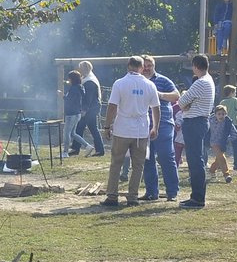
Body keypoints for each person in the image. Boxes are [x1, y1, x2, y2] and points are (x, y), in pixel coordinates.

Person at [100, 56, 158, 207]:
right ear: (141, 67)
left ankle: (112, 196)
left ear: (128, 66)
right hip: (141, 130)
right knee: (138, 165)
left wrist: (107, 126)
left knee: (116, 163)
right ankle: (132, 197)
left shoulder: (120, 83)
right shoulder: (150, 84)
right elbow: (156, 108)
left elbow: (112, 106)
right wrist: (155, 127)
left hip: (122, 128)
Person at [176, 54, 216, 208]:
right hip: (199, 122)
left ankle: (198, 199)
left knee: (195, 161)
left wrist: (185, 97)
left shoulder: (200, 83)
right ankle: (196, 196)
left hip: (194, 122)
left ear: (196, 66)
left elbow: (181, 102)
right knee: (196, 160)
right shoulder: (209, 80)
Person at [139, 55, 180, 202]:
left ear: (154, 66)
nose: (147, 68)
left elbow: (176, 96)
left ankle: (172, 192)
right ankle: (151, 192)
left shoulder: (163, 80)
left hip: (163, 124)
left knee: (166, 158)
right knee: (147, 159)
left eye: (150, 65)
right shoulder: (138, 82)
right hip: (143, 125)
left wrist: (160, 95)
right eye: (145, 65)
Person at [73, 60, 104, 156]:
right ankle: (98, 150)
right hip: (92, 108)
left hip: (91, 108)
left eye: (81, 68)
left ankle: (76, 148)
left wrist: (84, 110)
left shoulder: (89, 81)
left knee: (83, 128)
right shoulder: (87, 78)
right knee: (84, 128)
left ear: (85, 69)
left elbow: (88, 98)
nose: (80, 70)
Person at [219, 84, 237, 170]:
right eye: (235, 92)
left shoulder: (222, 102)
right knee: (236, 145)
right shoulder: (236, 100)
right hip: (235, 124)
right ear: (231, 92)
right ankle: (236, 164)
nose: (236, 93)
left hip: (224, 124)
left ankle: (219, 162)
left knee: (223, 144)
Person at [208, 104, 237, 182]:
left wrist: (228, 140)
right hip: (213, 142)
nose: (221, 116)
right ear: (215, 114)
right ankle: (226, 175)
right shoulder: (210, 120)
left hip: (223, 143)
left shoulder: (228, 122)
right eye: (219, 114)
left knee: (218, 159)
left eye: (223, 114)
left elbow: (235, 135)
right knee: (221, 157)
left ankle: (211, 171)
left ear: (226, 114)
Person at [62, 70, 85, 155]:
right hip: (77, 113)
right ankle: (87, 146)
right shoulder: (80, 87)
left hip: (71, 114)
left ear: (72, 79)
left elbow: (70, 100)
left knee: (66, 133)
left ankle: (65, 152)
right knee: (73, 133)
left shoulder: (73, 88)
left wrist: (63, 96)